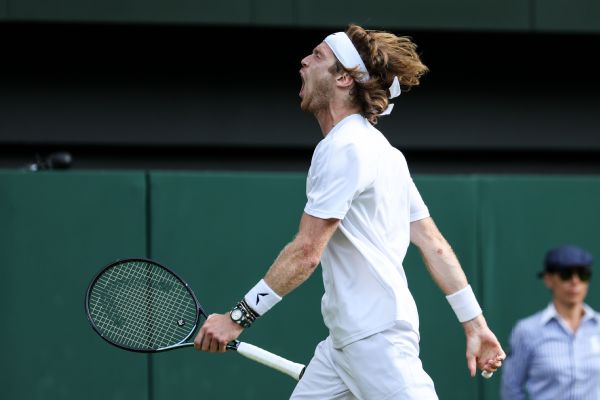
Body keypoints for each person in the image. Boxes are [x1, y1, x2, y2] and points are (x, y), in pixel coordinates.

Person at [194, 23, 505, 399]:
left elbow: (306, 253)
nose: (304, 62)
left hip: (375, 341)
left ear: (343, 78)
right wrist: (474, 323)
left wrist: (238, 318)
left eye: (318, 56)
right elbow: (433, 244)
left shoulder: (344, 147)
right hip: (345, 345)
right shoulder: (385, 152)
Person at [501, 244, 600, 400]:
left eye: (583, 274)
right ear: (548, 279)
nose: (575, 282)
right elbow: (511, 389)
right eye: (566, 274)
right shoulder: (527, 331)